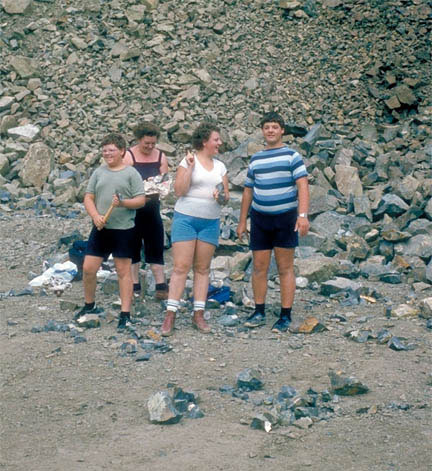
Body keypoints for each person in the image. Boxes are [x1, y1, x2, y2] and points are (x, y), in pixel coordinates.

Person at [236, 111, 310, 333]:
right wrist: (242, 221)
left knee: (285, 267)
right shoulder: (256, 158)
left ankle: (285, 314)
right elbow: (248, 191)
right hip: (260, 219)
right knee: (259, 267)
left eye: (274, 127)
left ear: (282, 130)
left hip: (285, 217)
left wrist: (303, 216)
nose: (270, 130)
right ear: (262, 131)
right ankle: (259, 310)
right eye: (266, 127)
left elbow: (303, 185)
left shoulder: (292, 156)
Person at [160, 122, 229, 336]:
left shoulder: (220, 167)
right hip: (186, 218)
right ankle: (170, 314)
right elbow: (179, 190)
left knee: (203, 268)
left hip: (210, 221)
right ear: (204, 141)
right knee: (181, 266)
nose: (219, 143)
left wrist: (222, 197)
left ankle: (198, 313)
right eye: (216, 139)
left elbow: (225, 198)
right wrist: (190, 167)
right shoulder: (188, 161)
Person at [75, 133, 146, 330]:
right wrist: (95, 216)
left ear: (122, 151)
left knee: (123, 272)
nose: (107, 153)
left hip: (124, 230)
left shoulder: (132, 174)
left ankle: (125, 314)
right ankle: (90, 305)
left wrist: (122, 203)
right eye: (105, 150)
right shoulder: (99, 172)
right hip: (101, 228)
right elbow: (88, 197)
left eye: (111, 150)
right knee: (89, 268)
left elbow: (140, 200)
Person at [123, 122, 169, 300]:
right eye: (146, 143)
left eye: (153, 143)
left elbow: (165, 181)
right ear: (139, 140)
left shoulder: (160, 156)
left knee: (155, 244)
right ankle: (135, 284)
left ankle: (160, 285)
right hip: (134, 210)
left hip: (152, 208)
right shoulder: (129, 156)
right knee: (133, 246)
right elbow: (124, 180)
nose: (150, 147)